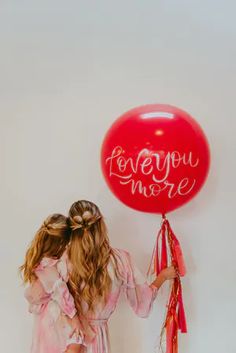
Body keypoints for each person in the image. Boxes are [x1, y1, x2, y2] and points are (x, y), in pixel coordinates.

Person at [66, 200, 177, 353]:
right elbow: (142, 305)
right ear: (101, 226)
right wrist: (162, 277)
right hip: (97, 342)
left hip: (66, 340)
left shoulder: (60, 262)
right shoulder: (119, 260)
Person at [20, 214, 84, 353]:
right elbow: (61, 292)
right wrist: (75, 318)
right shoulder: (49, 266)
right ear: (61, 243)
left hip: (44, 319)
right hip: (54, 318)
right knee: (66, 345)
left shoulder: (39, 260)